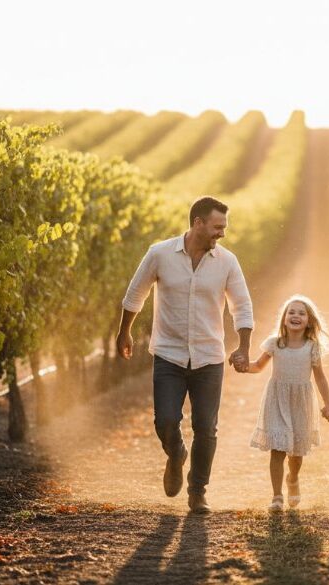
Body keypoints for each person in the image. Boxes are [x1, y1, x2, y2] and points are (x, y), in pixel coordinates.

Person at [116, 196, 253, 514]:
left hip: (209, 357)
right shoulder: (160, 253)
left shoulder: (227, 262)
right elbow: (136, 292)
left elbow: (242, 305)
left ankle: (197, 492)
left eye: (225, 228)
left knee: (206, 427)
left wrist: (243, 346)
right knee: (165, 421)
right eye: (218, 227)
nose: (222, 234)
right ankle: (176, 454)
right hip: (169, 354)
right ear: (198, 223)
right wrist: (124, 332)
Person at [246, 295, 329, 511]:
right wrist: (242, 365)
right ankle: (276, 496)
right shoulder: (275, 344)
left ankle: (293, 478)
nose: (296, 316)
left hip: (300, 402)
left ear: (309, 321)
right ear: (284, 319)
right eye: (291, 312)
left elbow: (320, 377)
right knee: (277, 448)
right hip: (277, 399)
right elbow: (258, 366)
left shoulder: (311, 347)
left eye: (301, 313)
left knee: (295, 452)